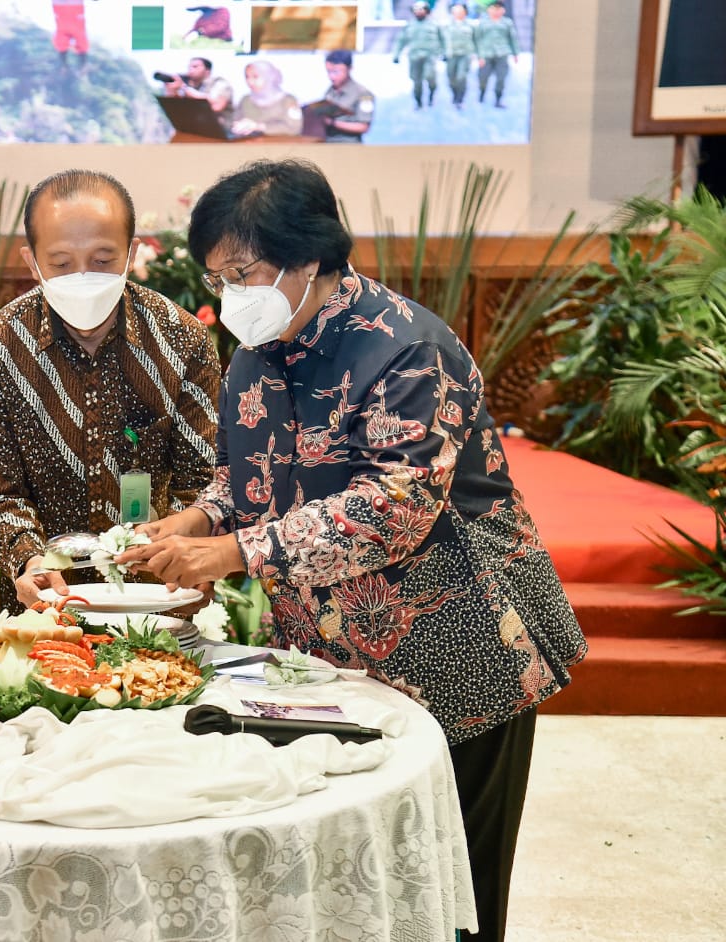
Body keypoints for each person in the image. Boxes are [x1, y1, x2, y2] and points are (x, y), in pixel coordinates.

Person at [117, 159, 586, 942]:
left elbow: (394, 508)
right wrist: (196, 519)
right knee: (356, 869)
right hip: (331, 657)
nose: (231, 296)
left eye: (244, 273)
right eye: (218, 278)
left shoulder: (407, 348)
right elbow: (251, 473)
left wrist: (233, 553)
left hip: (459, 640)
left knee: (455, 883)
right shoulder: (257, 351)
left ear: (307, 259)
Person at [0, 169, 221, 613]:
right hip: (42, 608)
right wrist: (29, 560)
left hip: (158, 599)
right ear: (32, 262)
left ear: (131, 253)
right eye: (61, 264)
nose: (82, 276)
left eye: (102, 260)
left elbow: (201, 478)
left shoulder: (181, 340)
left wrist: (185, 551)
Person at [393, 1, 444, 109]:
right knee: (417, 81)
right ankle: (418, 102)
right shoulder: (410, 25)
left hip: (429, 57)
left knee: (430, 77)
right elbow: (401, 40)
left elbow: (443, 39)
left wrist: (444, 52)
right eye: (416, 10)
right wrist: (396, 54)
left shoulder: (434, 24)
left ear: (426, 11)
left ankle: (431, 95)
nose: (419, 12)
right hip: (414, 57)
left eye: (421, 9)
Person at [232, 60, 302, 137]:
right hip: (249, 143)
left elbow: (294, 129)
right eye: (247, 77)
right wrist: (237, 127)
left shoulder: (288, 100)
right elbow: (234, 123)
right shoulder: (245, 100)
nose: (250, 81)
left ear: (269, 77)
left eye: (255, 76)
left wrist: (258, 127)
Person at [163, 57, 234, 130]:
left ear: (207, 71)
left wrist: (184, 87)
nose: (190, 70)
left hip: (221, 130)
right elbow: (180, 108)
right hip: (197, 128)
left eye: (195, 67)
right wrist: (173, 91)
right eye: (189, 67)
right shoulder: (192, 86)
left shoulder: (220, 84)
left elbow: (217, 107)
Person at [319, 49, 375, 142]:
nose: (331, 76)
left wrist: (332, 123)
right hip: (327, 143)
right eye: (329, 71)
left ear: (350, 69)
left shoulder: (363, 94)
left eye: (336, 72)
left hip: (349, 145)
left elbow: (363, 127)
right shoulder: (330, 91)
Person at [475, 0, 519, 108]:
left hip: (502, 54)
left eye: (499, 9)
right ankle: (482, 93)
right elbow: (478, 39)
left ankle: (498, 99)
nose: (496, 11)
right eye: (493, 9)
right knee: (483, 77)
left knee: (501, 78)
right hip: (486, 54)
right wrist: (479, 56)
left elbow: (512, 38)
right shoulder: (483, 22)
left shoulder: (507, 23)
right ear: (489, 10)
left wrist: (515, 53)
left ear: (503, 10)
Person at [444, 3, 477, 108]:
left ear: (465, 12)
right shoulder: (447, 25)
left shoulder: (471, 25)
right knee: (451, 78)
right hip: (451, 55)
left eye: (460, 11)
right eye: (455, 11)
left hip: (465, 55)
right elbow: (442, 40)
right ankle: (454, 94)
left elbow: (476, 40)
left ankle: (460, 99)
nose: (458, 13)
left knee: (461, 77)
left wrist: (476, 54)